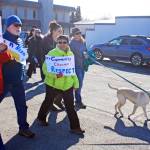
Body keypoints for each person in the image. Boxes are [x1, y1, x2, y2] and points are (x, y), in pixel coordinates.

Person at [37, 35, 85, 134]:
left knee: (70, 106)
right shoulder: (52, 53)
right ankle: (41, 118)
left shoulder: (70, 54)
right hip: (53, 85)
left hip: (67, 85)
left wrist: (76, 84)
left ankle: (75, 127)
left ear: (67, 43)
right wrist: (55, 75)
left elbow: (72, 71)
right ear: (57, 43)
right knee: (48, 101)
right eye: (60, 42)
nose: (62, 44)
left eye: (64, 42)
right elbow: (45, 70)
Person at [0, 15, 35, 138]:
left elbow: (21, 58)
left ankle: (23, 128)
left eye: (20, 25)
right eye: (16, 25)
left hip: (18, 81)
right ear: (8, 26)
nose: (19, 27)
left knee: (22, 106)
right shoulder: (2, 39)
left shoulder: (20, 40)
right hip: (4, 81)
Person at [41, 21, 64, 110]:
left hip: (59, 67)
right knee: (50, 89)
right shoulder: (46, 40)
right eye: (59, 31)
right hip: (49, 68)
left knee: (61, 86)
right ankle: (49, 105)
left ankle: (57, 101)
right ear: (53, 31)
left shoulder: (59, 41)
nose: (60, 33)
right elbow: (43, 55)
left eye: (61, 31)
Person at [70, 28, 87, 109]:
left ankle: (75, 100)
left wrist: (87, 56)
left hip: (82, 66)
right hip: (75, 67)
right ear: (73, 35)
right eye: (76, 33)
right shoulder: (71, 43)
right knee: (77, 85)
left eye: (79, 33)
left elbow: (85, 52)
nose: (79, 34)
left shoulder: (83, 42)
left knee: (80, 85)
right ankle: (78, 101)